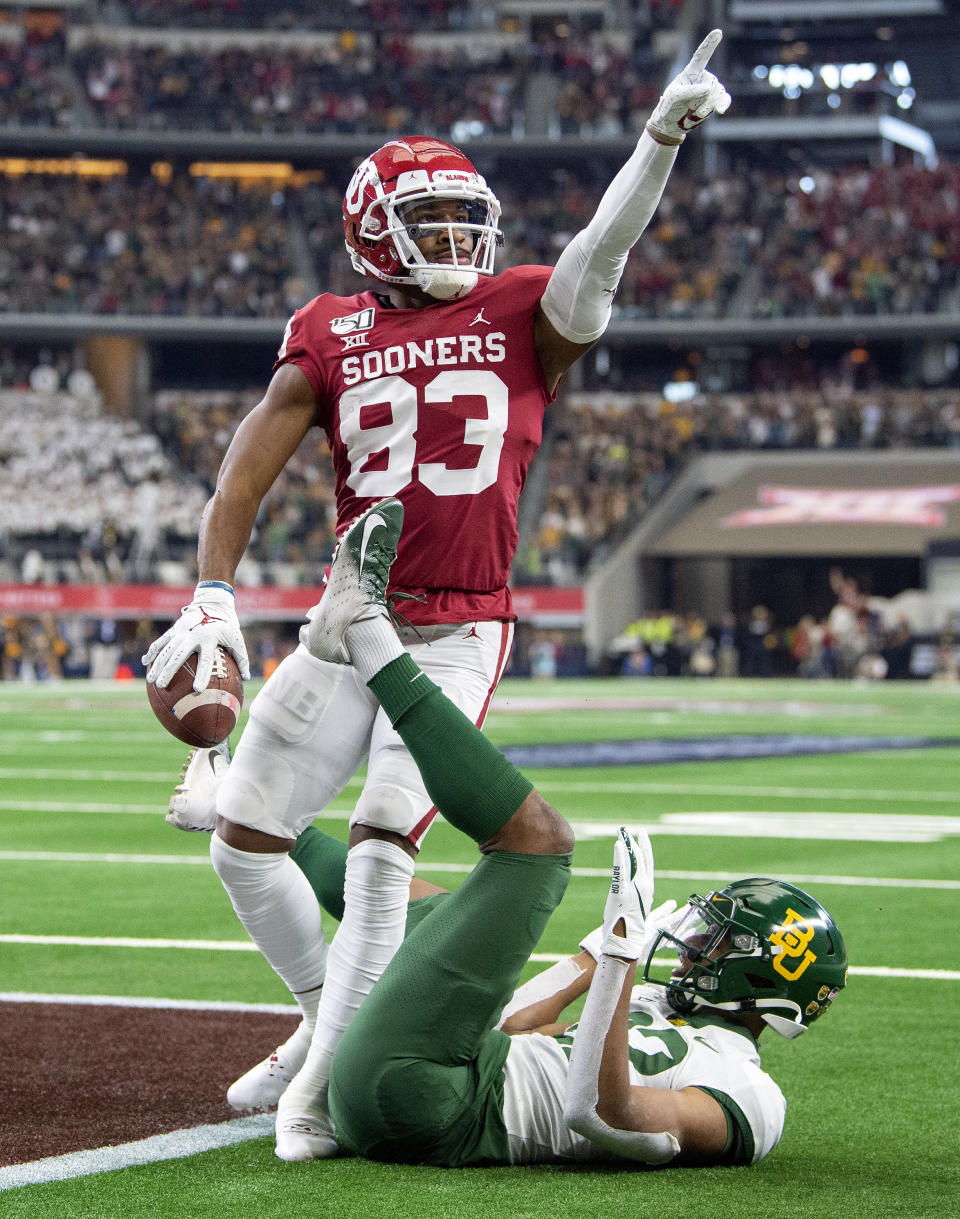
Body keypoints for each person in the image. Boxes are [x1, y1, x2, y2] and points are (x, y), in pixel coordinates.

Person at [144, 31, 732, 1161]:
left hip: (457, 622)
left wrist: (657, 140)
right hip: (342, 612)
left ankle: (320, 1090)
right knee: (241, 837)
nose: (463, 242)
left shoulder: (519, 310)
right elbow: (245, 465)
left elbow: (599, 259)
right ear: (373, 232)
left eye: (472, 220)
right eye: (436, 223)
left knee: (378, 846)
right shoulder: (330, 329)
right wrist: (213, 593)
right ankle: (330, 1020)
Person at [238, 502, 847, 1167]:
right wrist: (591, 958)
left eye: (718, 942)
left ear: (762, 979)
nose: (692, 948)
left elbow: (605, 1112)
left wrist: (615, 957)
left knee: (542, 844)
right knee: (442, 911)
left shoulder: (752, 1098)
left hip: (427, 1103)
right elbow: (512, 1021)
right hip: (431, 1073)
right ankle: (259, 820)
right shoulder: (653, 1003)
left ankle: (366, 630)